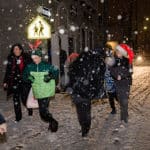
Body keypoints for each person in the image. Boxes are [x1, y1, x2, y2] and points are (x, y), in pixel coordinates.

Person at [68, 49, 105, 137]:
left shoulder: (81, 67)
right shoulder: (74, 68)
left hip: (82, 92)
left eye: (73, 58)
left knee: (83, 112)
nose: (72, 60)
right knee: (82, 112)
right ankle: (85, 128)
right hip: (81, 93)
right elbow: (71, 81)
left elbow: (74, 80)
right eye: (71, 59)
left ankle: (85, 128)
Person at [23, 48, 59, 132]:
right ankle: (51, 121)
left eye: (36, 58)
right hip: (38, 91)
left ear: (40, 57)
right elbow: (24, 75)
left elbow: (56, 71)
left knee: (43, 111)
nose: (34, 60)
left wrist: (50, 77)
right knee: (43, 111)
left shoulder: (46, 65)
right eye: (33, 58)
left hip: (46, 90)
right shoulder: (29, 66)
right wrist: (29, 78)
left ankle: (53, 122)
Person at [3, 43, 33, 123]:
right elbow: (8, 71)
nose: (15, 51)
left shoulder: (26, 57)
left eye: (17, 49)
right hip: (14, 82)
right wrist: (5, 81)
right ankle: (18, 117)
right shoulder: (11, 58)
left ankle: (30, 109)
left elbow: (30, 68)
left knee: (24, 99)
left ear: (20, 50)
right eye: (14, 49)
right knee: (15, 100)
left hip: (24, 81)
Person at [110, 44, 134, 125]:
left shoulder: (127, 61)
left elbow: (130, 71)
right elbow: (111, 71)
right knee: (120, 100)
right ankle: (123, 114)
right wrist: (116, 76)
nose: (118, 53)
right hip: (117, 83)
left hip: (126, 82)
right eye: (117, 51)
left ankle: (124, 116)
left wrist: (122, 75)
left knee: (125, 100)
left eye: (119, 51)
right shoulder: (113, 61)